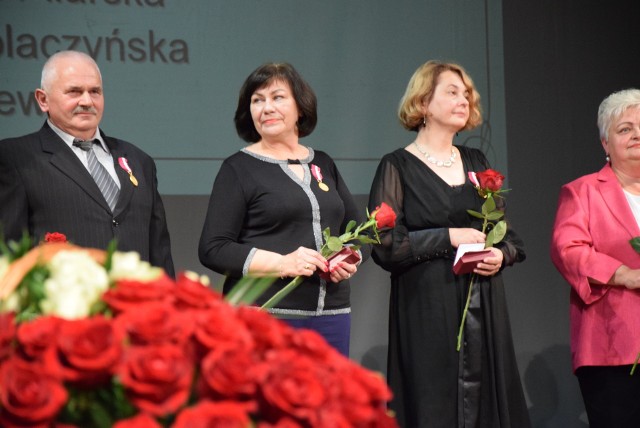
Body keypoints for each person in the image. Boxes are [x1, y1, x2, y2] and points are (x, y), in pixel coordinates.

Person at [368, 60, 530, 427]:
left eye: (467, 94)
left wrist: (498, 254)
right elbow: (385, 246)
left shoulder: (476, 162)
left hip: (483, 306)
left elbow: (509, 236)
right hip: (426, 307)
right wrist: (448, 237)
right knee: (434, 404)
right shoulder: (397, 166)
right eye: (452, 92)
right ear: (424, 103)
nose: (464, 100)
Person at [198, 62, 368, 356]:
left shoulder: (323, 163)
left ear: (300, 107)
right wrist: (282, 263)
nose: (266, 108)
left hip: (333, 317)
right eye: (257, 100)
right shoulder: (238, 169)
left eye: (277, 97)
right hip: (267, 317)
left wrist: (349, 259)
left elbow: (357, 229)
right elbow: (213, 248)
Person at [0, 51, 174, 276]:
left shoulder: (139, 160)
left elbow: (159, 253)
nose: (86, 101)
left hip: (138, 306)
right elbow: (7, 255)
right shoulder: (16, 158)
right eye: (74, 91)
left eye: (95, 91)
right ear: (43, 100)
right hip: (63, 307)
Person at [550, 88, 640, 428]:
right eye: (625, 128)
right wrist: (624, 274)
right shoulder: (583, 191)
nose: (637, 135)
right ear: (605, 143)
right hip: (611, 344)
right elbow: (568, 250)